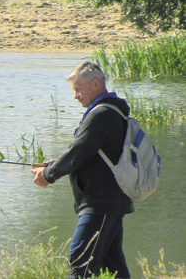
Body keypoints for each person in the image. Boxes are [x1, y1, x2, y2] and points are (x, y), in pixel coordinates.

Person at [31, 61, 134, 279]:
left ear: (95, 84)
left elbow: (78, 151)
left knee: (80, 264)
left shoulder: (100, 115)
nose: (75, 96)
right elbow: (89, 154)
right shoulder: (109, 111)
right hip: (107, 202)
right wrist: (57, 164)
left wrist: (49, 174)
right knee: (113, 268)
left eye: (77, 90)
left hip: (100, 204)